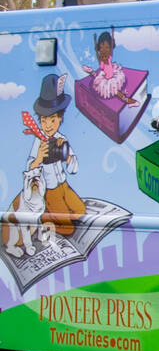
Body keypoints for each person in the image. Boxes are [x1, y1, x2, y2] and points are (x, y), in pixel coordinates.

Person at [25, 74, 85, 237]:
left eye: (52, 120)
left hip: (64, 185)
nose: (48, 126)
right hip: (50, 190)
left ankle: (51, 214)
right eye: (44, 121)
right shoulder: (39, 142)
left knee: (81, 212)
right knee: (68, 229)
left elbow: (73, 168)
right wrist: (38, 158)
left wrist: (66, 157)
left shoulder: (61, 139)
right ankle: (45, 220)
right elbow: (30, 168)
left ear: (60, 118)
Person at [82, 30, 135, 104]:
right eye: (101, 48)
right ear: (99, 49)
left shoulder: (110, 57)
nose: (104, 50)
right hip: (107, 80)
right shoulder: (101, 61)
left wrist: (112, 32)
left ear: (110, 48)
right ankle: (126, 99)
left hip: (113, 75)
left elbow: (112, 44)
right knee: (115, 90)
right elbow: (97, 53)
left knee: (117, 85)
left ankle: (91, 72)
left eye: (107, 47)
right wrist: (95, 40)